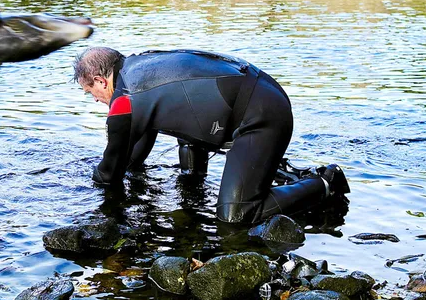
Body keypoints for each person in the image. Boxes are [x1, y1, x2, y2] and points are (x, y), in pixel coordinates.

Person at [73, 47, 349, 225]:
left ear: (100, 80)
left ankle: (324, 182)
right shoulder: (140, 66)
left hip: (261, 116)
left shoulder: (125, 101)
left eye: (91, 93)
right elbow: (136, 148)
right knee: (182, 129)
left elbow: (109, 172)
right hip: (258, 91)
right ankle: (278, 173)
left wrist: (81, 186)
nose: (96, 100)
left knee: (236, 214)